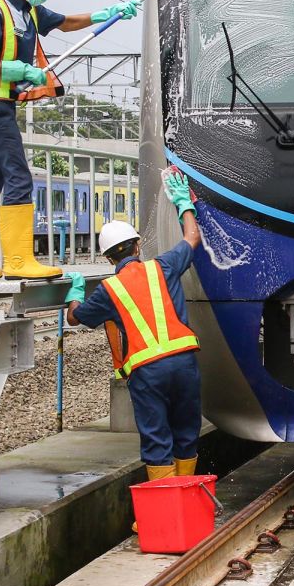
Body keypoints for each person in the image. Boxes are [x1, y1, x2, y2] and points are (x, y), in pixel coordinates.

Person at [0, 0, 142, 281]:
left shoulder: (29, 12)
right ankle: (17, 261)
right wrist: (14, 70)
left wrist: (106, 15)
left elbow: (67, 23)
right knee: (19, 177)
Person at [64, 168, 202, 485]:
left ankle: (164, 513)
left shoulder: (108, 291)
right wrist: (184, 203)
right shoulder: (163, 266)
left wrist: (74, 294)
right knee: (186, 433)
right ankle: (184, 503)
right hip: (184, 362)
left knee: (157, 440)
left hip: (148, 372)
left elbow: (76, 317)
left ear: (109, 259)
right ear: (138, 246)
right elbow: (192, 238)